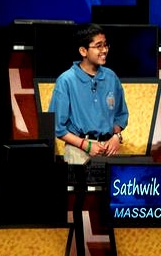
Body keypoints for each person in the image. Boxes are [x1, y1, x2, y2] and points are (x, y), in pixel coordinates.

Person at [49, 23, 128, 165]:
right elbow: (57, 127)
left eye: (106, 45)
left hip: (109, 149)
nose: (104, 50)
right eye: (99, 46)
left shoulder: (111, 77)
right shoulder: (66, 80)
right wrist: (86, 145)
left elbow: (121, 115)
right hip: (78, 150)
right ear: (83, 51)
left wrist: (116, 136)